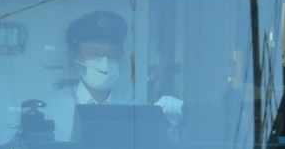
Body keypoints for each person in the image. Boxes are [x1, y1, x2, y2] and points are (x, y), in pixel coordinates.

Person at [46, 9, 183, 141]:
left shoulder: (133, 108)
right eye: (95, 52)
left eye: (112, 53)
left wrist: (168, 124)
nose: (105, 60)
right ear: (75, 59)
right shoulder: (51, 108)